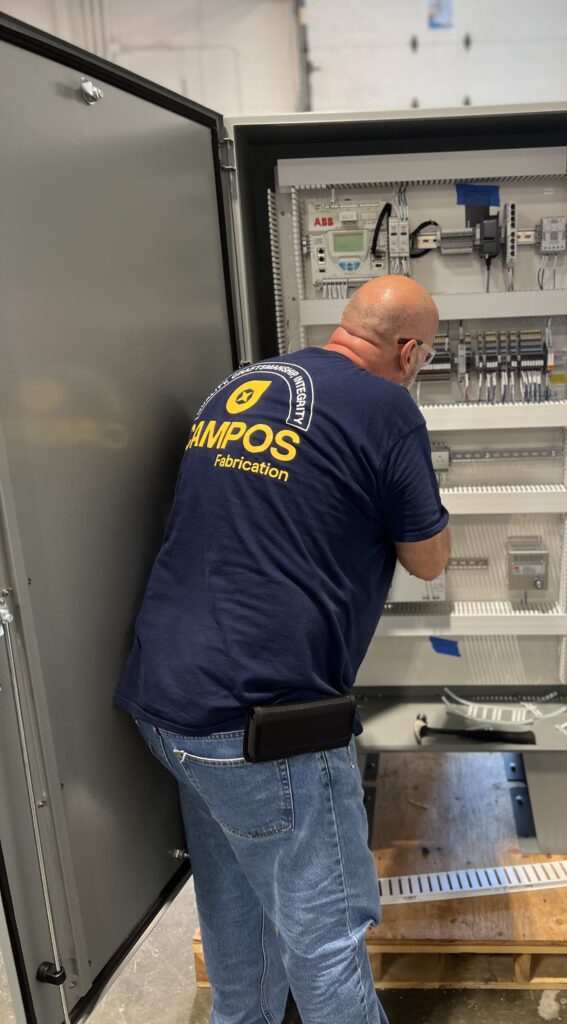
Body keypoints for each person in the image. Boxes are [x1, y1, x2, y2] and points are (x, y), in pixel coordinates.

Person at [114, 275, 450, 1024]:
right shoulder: (388, 408)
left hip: (169, 704)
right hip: (265, 726)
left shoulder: (243, 383)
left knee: (238, 917)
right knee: (327, 943)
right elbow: (428, 559)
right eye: (425, 356)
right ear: (408, 352)